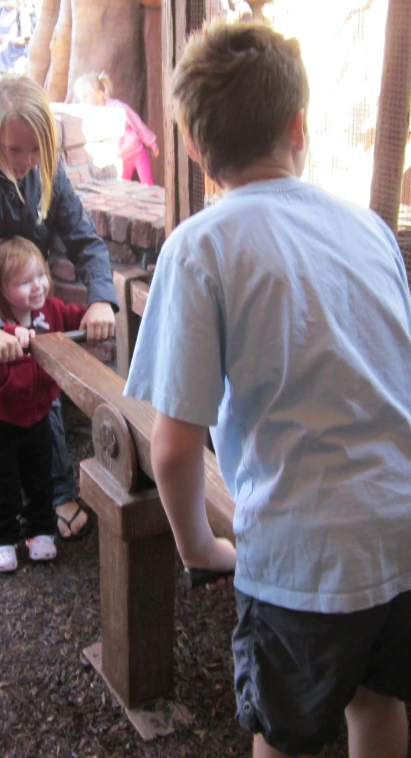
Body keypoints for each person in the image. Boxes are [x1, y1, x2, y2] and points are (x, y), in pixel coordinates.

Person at [125, 19, 411, 758]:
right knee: (379, 705)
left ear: (192, 144)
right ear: (300, 126)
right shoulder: (371, 230)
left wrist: (198, 547)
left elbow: (175, 449)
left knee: (283, 736)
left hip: (300, 558)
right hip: (399, 536)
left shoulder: (201, 247)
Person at [0, 75, 118, 542]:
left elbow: (84, 240)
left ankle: (52, 492)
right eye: (14, 151)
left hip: (32, 302)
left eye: (35, 151)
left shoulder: (46, 168)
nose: (26, 163)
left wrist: (99, 297)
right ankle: (11, 503)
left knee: (42, 393)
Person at [0, 236, 88, 572]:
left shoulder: (49, 312)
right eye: (25, 282)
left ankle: (40, 530)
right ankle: (2, 537)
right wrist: (1, 333)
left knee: (39, 475)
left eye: (40, 276)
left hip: (37, 413)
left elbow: (75, 317)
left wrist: (96, 315)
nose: (38, 286)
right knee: (2, 480)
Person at [73, 72, 159, 186]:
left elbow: (137, 124)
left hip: (137, 153)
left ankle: (152, 203)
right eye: (80, 98)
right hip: (121, 160)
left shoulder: (117, 108)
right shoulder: (90, 116)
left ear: (99, 94)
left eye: (85, 96)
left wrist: (151, 142)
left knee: (148, 184)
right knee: (120, 188)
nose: (82, 101)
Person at [0, 0, 32, 76]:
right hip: (3, 63)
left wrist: (10, 39)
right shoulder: (0, 10)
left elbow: (27, 40)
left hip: (17, 64)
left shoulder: (21, 11)